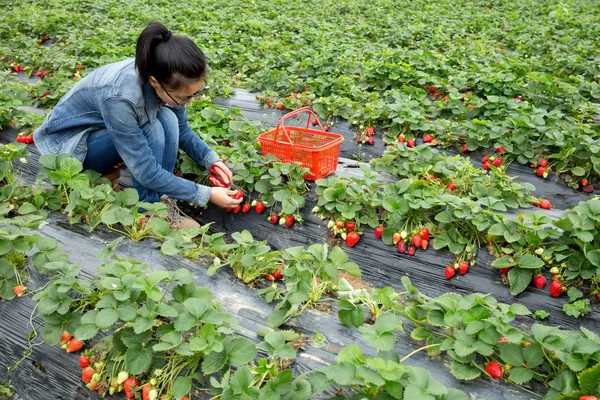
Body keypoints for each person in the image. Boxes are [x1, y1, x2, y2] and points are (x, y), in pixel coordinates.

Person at [33, 21, 243, 228]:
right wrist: (205, 194)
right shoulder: (121, 98)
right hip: (70, 148)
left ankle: (162, 201)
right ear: (154, 82)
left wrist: (212, 160)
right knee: (151, 128)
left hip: (100, 133)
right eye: (183, 97)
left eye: (194, 94)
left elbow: (182, 129)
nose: (189, 101)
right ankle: (148, 211)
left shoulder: (165, 74)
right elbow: (146, 171)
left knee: (168, 119)